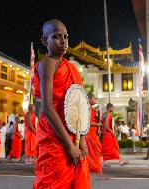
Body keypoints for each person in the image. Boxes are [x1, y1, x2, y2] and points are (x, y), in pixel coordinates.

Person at [32, 19, 91, 188]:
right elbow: (48, 108)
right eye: (57, 36)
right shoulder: (47, 65)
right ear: (45, 41)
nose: (63, 41)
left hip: (74, 135)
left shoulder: (71, 68)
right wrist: (70, 146)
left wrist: (82, 141)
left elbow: (79, 106)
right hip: (56, 137)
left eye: (65, 36)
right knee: (53, 182)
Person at [85, 94, 107, 179]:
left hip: (94, 133)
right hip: (89, 133)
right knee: (93, 153)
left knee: (96, 152)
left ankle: (96, 171)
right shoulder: (87, 109)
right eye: (94, 98)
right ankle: (99, 172)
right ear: (89, 99)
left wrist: (98, 127)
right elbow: (86, 123)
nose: (96, 99)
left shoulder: (94, 109)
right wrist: (97, 124)